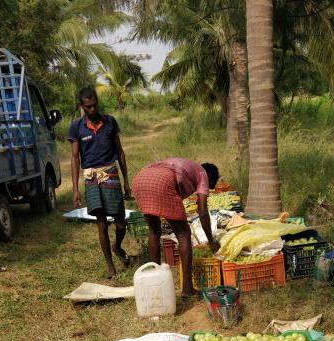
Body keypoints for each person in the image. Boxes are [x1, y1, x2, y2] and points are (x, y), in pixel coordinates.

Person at [131, 158, 220, 297]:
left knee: (154, 230)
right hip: (162, 182)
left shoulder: (188, 166)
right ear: (211, 179)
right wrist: (211, 240)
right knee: (183, 233)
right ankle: (187, 289)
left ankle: (155, 281)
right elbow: (202, 212)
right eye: (211, 185)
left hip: (140, 179)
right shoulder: (202, 174)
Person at [68, 87, 131, 280]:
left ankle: (117, 246)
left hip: (111, 174)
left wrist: (126, 181)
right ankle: (110, 267)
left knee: (121, 224)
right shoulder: (76, 127)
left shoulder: (110, 121)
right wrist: (75, 190)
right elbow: (74, 158)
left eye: (94, 105)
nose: (92, 109)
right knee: (101, 223)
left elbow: (120, 152)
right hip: (91, 179)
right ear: (82, 106)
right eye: (88, 107)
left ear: (97, 102)